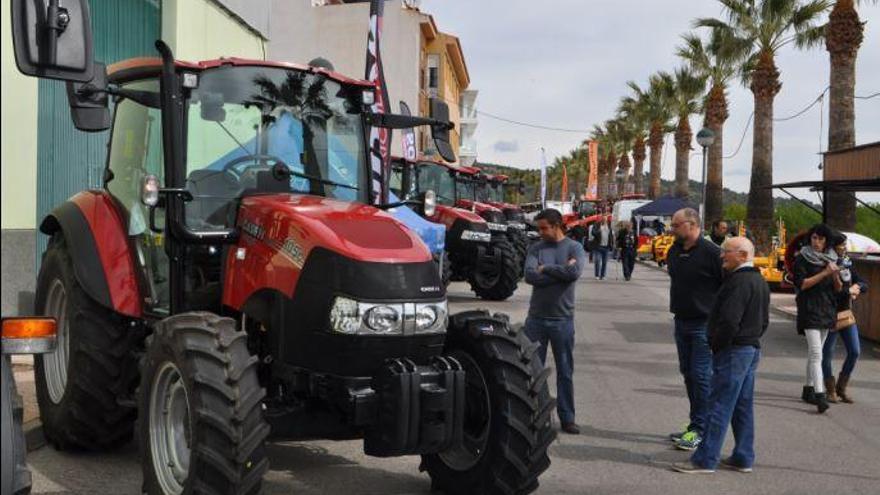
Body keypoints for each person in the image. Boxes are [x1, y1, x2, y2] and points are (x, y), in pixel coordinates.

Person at [672, 237, 769, 474]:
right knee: (741, 406)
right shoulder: (758, 280)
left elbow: (728, 321)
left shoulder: (739, 282)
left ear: (743, 255)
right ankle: (743, 456)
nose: (722, 255)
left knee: (719, 405)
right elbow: (763, 321)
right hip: (749, 348)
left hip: (734, 350)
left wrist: (716, 345)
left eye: (727, 252)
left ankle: (705, 459)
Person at [523, 208, 587, 435]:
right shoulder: (535, 248)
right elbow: (530, 276)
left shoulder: (574, 247)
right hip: (536, 320)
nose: (540, 233)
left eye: (544, 228)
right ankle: (533, 416)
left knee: (565, 371)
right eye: (538, 228)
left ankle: (567, 417)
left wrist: (547, 269)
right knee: (531, 371)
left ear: (557, 225)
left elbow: (575, 273)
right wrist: (561, 272)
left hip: (562, 320)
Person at [666, 208, 724, 451]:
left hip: (704, 325)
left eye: (676, 225)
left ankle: (701, 431)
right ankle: (695, 425)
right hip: (681, 321)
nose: (672, 229)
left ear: (691, 225)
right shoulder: (675, 250)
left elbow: (727, 287)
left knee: (701, 377)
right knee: (689, 375)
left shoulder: (713, 253)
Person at [792, 223, 843, 414]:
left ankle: (808, 389)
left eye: (821, 239)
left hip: (827, 309)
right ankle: (820, 395)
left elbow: (838, 288)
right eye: (814, 238)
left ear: (827, 241)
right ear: (809, 238)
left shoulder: (832, 258)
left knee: (816, 352)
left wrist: (835, 274)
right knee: (816, 353)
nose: (817, 242)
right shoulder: (802, 258)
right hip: (809, 309)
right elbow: (802, 284)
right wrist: (824, 273)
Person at [822, 233, 868, 404]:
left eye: (845, 244)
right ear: (833, 246)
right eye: (841, 244)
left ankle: (841, 387)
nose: (844, 247)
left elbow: (863, 282)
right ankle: (830, 389)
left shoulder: (847, 262)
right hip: (830, 315)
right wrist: (847, 292)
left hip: (846, 314)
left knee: (855, 351)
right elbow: (828, 290)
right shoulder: (826, 263)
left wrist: (857, 286)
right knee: (827, 354)